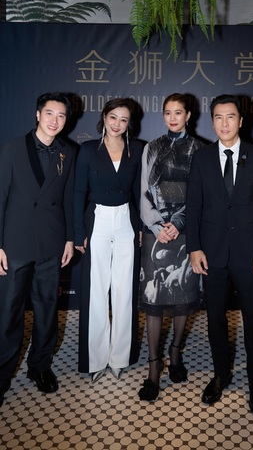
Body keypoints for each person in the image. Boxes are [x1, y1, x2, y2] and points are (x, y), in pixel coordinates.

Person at [186, 94, 253, 416]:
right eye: (218, 117)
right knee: (215, 318)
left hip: (249, 253)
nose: (224, 123)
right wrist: (194, 247)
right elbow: (194, 206)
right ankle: (221, 374)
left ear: (241, 120)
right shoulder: (202, 157)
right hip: (211, 253)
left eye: (230, 117)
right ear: (212, 122)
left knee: (252, 317)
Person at [0, 92, 76, 409]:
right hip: (15, 244)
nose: (54, 120)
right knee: (8, 313)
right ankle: (2, 375)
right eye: (49, 113)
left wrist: (69, 238)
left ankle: (40, 366)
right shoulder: (12, 149)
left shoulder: (68, 152)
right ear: (37, 114)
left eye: (61, 115)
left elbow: (69, 199)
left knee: (47, 310)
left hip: (51, 243)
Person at [138, 93, 202, 402]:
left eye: (179, 112)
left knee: (182, 297)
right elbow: (143, 191)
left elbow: (200, 195)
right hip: (155, 232)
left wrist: (178, 222)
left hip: (187, 231)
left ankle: (175, 353)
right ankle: (154, 367)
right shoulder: (151, 147)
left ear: (188, 115)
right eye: (168, 112)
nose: (173, 117)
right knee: (154, 299)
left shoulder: (200, 149)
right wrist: (155, 225)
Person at [74, 98, 142, 382]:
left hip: (126, 220)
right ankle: (95, 359)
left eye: (124, 119)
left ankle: (120, 358)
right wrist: (79, 231)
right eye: (113, 117)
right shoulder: (88, 149)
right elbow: (78, 193)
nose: (117, 124)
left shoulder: (137, 149)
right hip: (98, 219)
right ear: (104, 117)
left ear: (129, 124)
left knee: (125, 290)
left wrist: (140, 226)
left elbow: (139, 192)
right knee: (96, 290)